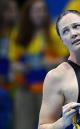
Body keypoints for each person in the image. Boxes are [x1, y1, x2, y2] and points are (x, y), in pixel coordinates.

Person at [9, 0, 68, 129]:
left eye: (43, 10)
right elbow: (12, 63)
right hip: (25, 89)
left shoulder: (54, 31)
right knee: (24, 125)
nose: (41, 14)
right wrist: (19, 67)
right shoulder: (19, 33)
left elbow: (66, 59)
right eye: (36, 11)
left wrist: (50, 62)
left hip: (48, 91)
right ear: (28, 13)